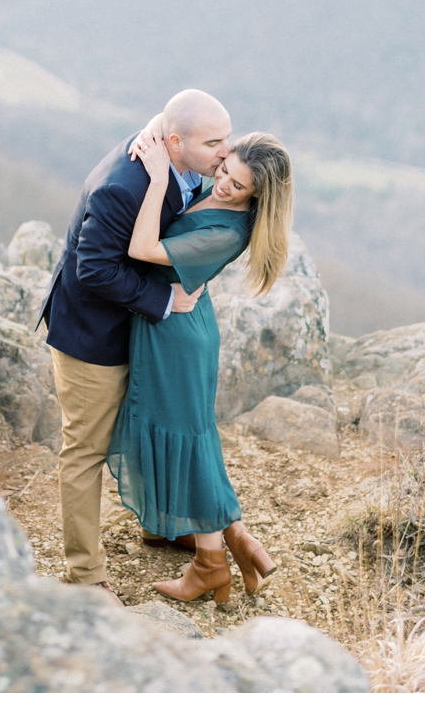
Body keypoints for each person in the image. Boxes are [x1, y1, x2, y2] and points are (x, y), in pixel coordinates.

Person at [39, 89, 232, 605]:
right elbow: (94, 268)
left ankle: (161, 525)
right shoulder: (123, 187)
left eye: (227, 138)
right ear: (174, 142)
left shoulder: (182, 160)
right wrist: (164, 299)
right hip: (92, 337)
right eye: (214, 142)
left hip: (135, 331)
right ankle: (85, 575)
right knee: (85, 451)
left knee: (144, 427)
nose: (225, 152)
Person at [106, 128, 294, 604]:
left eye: (237, 185)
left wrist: (154, 179)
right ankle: (236, 538)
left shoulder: (228, 230)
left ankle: (210, 564)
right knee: (194, 437)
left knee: (186, 441)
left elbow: (142, 249)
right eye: (224, 168)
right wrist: (158, 138)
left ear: (258, 197)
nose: (224, 183)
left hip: (178, 336)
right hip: (172, 322)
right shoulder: (218, 191)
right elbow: (184, 130)